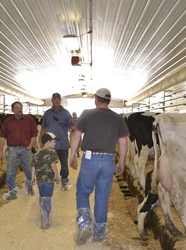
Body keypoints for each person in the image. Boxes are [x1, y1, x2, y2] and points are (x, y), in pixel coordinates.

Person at [69, 88, 129, 245]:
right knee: (102, 197)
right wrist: (121, 162)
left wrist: (72, 156)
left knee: (83, 193)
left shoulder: (87, 114)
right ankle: (99, 233)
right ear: (108, 100)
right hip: (108, 161)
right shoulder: (118, 118)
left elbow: (76, 136)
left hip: (90, 160)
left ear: (96, 99)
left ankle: (84, 225)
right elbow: (123, 142)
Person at [0, 101, 38, 200]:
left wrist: (30, 146)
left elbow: (34, 134)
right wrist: (0, 150)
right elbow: (2, 136)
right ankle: (12, 191)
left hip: (25, 149)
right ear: (12, 110)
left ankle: (29, 186)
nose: (19, 109)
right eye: (16, 107)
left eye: (20, 107)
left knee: (29, 170)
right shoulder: (8, 121)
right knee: (11, 171)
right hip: (12, 149)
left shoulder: (29, 120)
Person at [40, 93, 72, 191]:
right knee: (49, 164)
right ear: (52, 100)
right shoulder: (47, 113)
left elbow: (71, 126)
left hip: (62, 143)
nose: (57, 101)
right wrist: (41, 142)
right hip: (50, 144)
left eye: (58, 99)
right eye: (55, 99)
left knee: (64, 164)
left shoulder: (66, 113)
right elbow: (43, 128)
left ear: (60, 100)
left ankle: (64, 181)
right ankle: (49, 182)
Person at [31, 132, 60, 229]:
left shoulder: (37, 152)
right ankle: (45, 219)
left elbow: (33, 166)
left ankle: (43, 214)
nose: (55, 144)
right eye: (54, 142)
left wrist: (32, 178)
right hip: (49, 180)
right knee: (47, 199)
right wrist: (57, 176)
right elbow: (53, 165)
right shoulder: (52, 152)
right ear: (48, 142)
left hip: (40, 180)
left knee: (42, 197)